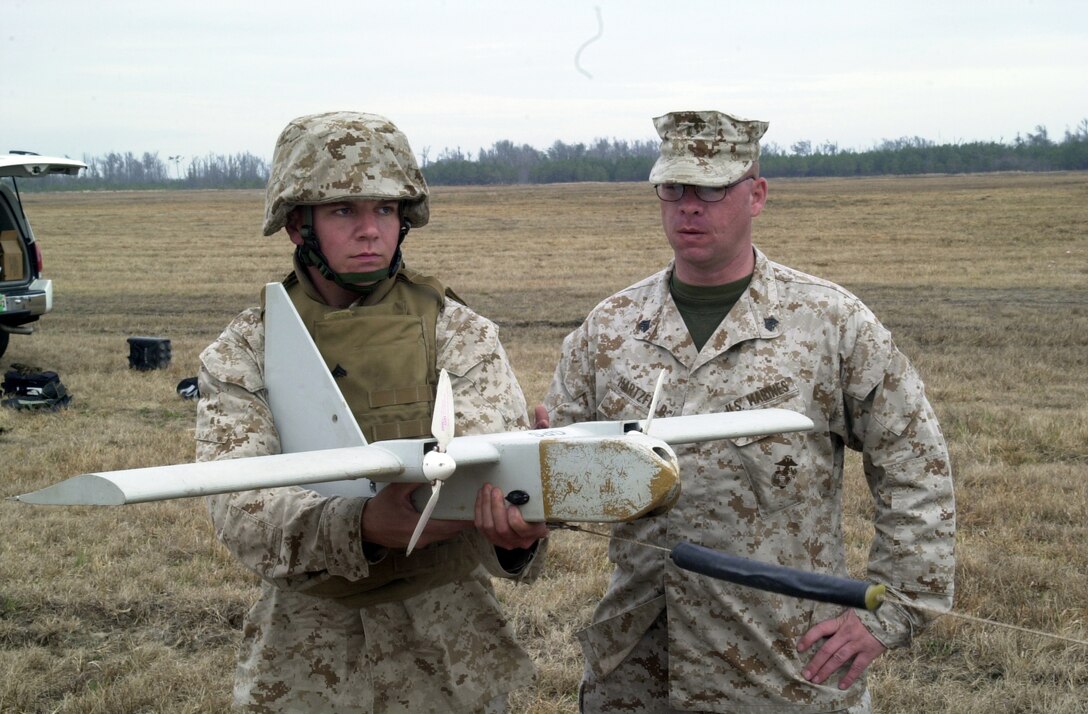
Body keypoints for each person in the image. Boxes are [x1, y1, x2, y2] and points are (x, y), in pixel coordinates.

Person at [536, 110, 955, 713]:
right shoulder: (611, 330)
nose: (689, 206)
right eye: (673, 188)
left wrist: (896, 609)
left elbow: (916, 462)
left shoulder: (828, 323)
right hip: (638, 672)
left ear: (755, 195)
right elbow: (556, 484)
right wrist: (525, 498)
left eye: (711, 188)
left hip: (782, 668)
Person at [196, 111, 549, 713]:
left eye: (384, 210)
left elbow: (494, 471)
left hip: (451, 646)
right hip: (307, 656)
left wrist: (520, 525)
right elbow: (239, 504)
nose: (370, 231)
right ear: (296, 225)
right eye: (343, 211)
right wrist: (360, 524)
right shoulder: (249, 350)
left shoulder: (457, 332)